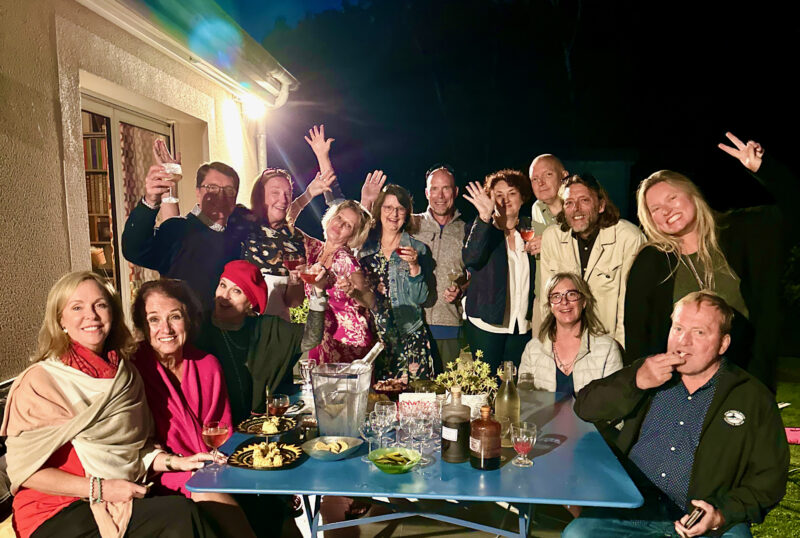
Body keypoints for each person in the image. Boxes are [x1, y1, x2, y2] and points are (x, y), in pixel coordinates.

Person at [1, 271, 218, 538]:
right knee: (180, 515)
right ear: (60, 320)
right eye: (77, 307)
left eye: (100, 305)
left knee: (189, 512)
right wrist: (100, 489)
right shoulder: (41, 381)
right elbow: (26, 473)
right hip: (54, 509)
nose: (91, 315)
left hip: (117, 496)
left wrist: (176, 462)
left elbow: (135, 452)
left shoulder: (125, 375)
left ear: (112, 314)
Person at [565, 291, 788, 537]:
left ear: (723, 343)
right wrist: (635, 380)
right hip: (635, 512)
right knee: (579, 533)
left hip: (706, 522)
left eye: (699, 332)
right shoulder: (650, 373)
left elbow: (769, 479)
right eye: (678, 328)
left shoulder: (751, 397)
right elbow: (585, 407)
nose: (684, 341)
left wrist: (721, 514)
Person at [624, 132, 797, 392]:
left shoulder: (741, 232)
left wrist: (765, 169)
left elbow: (794, 208)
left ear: (693, 195)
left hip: (745, 382)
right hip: (677, 390)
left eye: (672, 198)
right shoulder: (651, 261)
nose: (666, 211)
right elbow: (637, 336)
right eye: (655, 208)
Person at [129, 279, 255, 537]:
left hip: (210, 467)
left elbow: (222, 429)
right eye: (154, 319)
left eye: (174, 316)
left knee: (272, 504)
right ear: (143, 325)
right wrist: (181, 464)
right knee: (217, 504)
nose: (165, 328)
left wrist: (217, 460)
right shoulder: (133, 369)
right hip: (157, 472)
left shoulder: (207, 364)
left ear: (188, 319)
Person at [196, 260, 328, 421]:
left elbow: (311, 338)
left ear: (251, 303)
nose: (224, 296)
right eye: (223, 285)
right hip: (211, 425)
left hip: (257, 425)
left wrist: (319, 291)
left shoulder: (266, 328)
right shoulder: (197, 327)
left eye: (236, 291)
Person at [122, 152, 241, 312]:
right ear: (198, 192)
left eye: (229, 190)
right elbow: (134, 250)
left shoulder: (237, 240)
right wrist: (151, 200)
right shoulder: (178, 230)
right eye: (212, 188)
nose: (220, 195)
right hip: (187, 332)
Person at [540, 173, 644, 348]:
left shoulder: (629, 237)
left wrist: (620, 355)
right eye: (569, 203)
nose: (576, 209)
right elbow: (548, 299)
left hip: (608, 344)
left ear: (601, 205)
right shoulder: (552, 237)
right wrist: (550, 347)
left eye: (584, 201)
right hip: (566, 344)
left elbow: (630, 308)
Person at [359, 184, 435, 381]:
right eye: (388, 207)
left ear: (407, 213)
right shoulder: (364, 249)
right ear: (379, 210)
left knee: (414, 404)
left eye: (400, 208)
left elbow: (421, 298)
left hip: (408, 337)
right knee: (376, 403)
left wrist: (415, 267)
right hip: (374, 340)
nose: (394, 214)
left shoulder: (417, 248)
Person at [462, 169, 536, 371]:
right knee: (487, 386)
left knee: (517, 384)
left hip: (522, 324)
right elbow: (471, 259)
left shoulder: (532, 230)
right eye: (499, 195)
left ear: (523, 197)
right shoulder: (481, 228)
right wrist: (484, 217)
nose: (506, 200)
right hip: (487, 323)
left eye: (512, 193)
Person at [517, 272, 622, 396]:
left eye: (571, 294)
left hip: (591, 416)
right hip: (543, 416)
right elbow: (524, 402)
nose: (564, 301)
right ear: (550, 306)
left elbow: (614, 403)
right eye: (556, 296)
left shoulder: (607, 349)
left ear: (583, 302)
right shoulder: (533, 349)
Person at [300, 200, 375, 363]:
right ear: (331, 217)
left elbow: (370, 300)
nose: (340, 225)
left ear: (352, 236)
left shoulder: (346, 260)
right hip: (319, 337)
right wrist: (308, 194)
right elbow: (286, 222)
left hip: (347, 346)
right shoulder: (313, 249)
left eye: (348, 225)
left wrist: (353, 291)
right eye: (339, 217)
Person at [410, 164, 468, 373]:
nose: (440, 195)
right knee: (412, 396)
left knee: (447, 395)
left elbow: (474, 275)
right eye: (434, 189)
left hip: (449, 328)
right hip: (411, 325)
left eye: (446, 188)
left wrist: (462, 288)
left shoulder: (466, 231)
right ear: (426, 193)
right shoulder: (411, 224)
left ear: (455, 192)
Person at [527, 154, 570, 332]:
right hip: (543, 301)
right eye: (535, 179)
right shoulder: (537, 208)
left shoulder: (577, 208)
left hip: (572, 300)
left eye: (547, 175)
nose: (541, 183)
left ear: (564, 176)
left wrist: (550, 242)